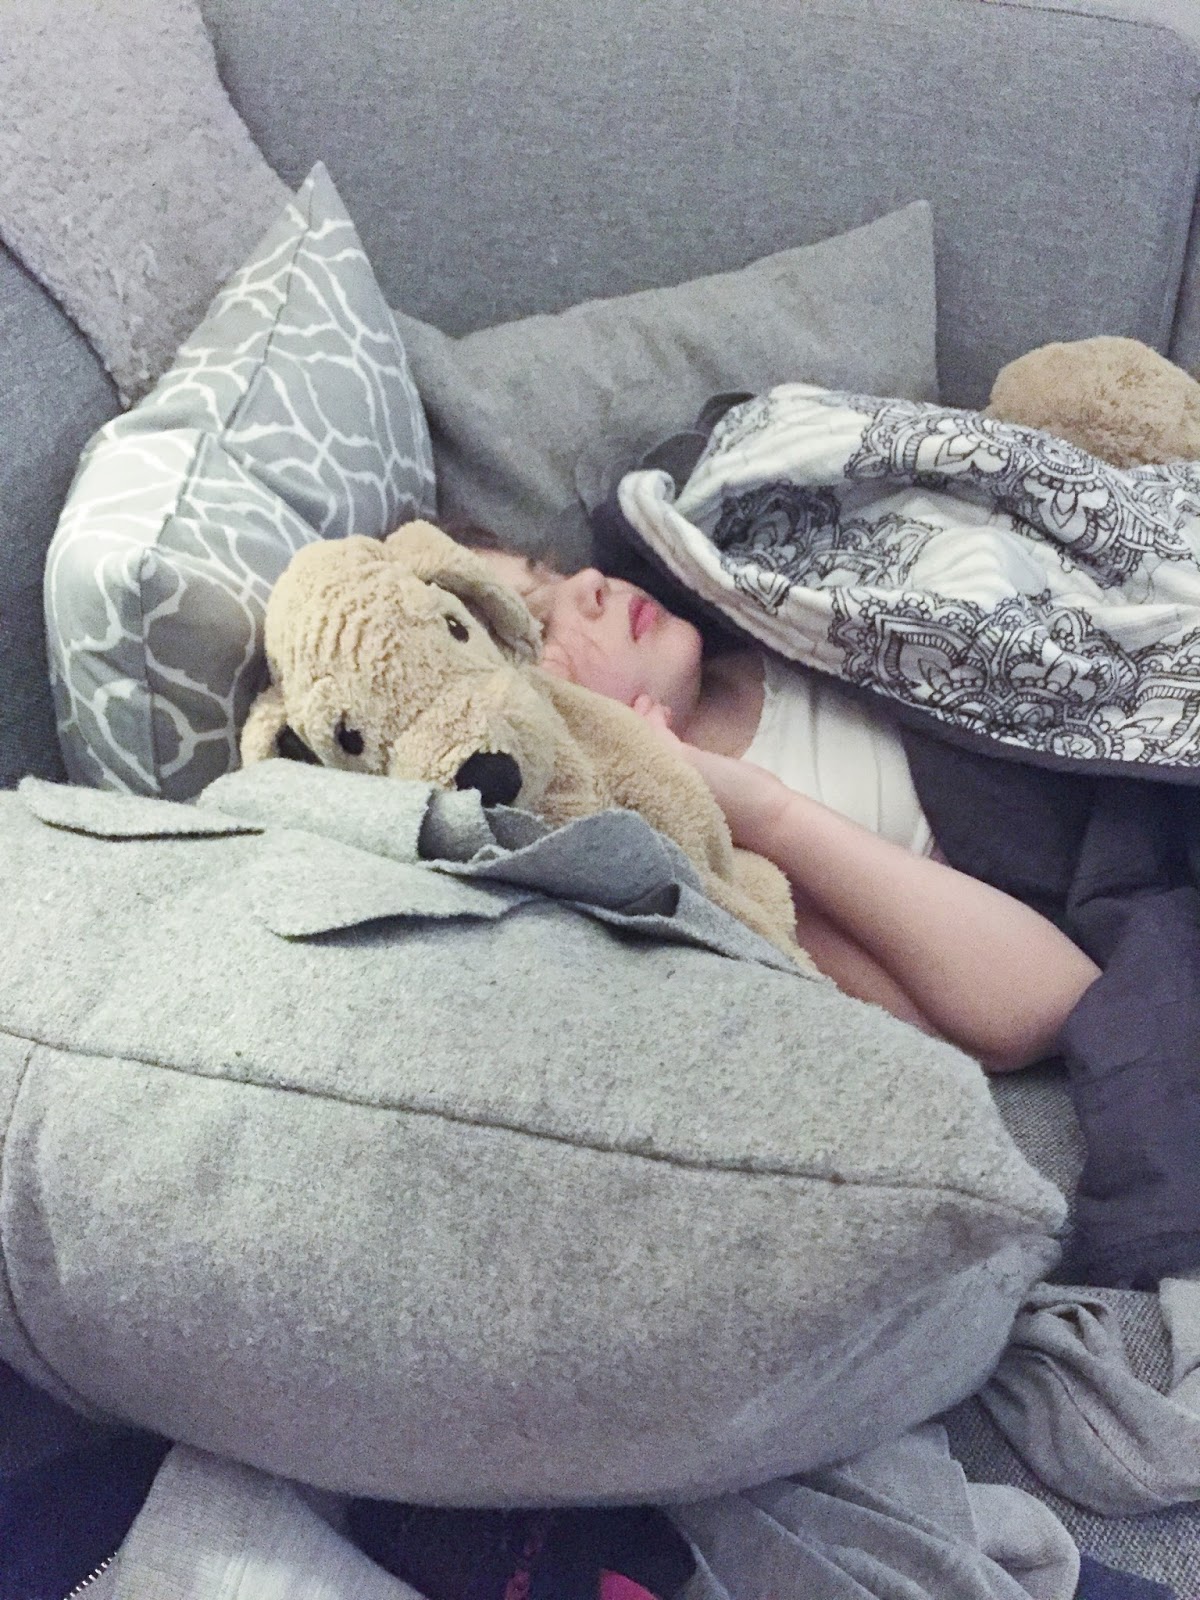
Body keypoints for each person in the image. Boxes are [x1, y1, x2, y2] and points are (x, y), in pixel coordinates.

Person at [473, 544, 1101, 1074]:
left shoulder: (764, 618)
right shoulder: (730, 858)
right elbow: (1051, 1003)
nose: (587, 581)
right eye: (539, 627)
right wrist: (771, 817)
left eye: (550, 569)